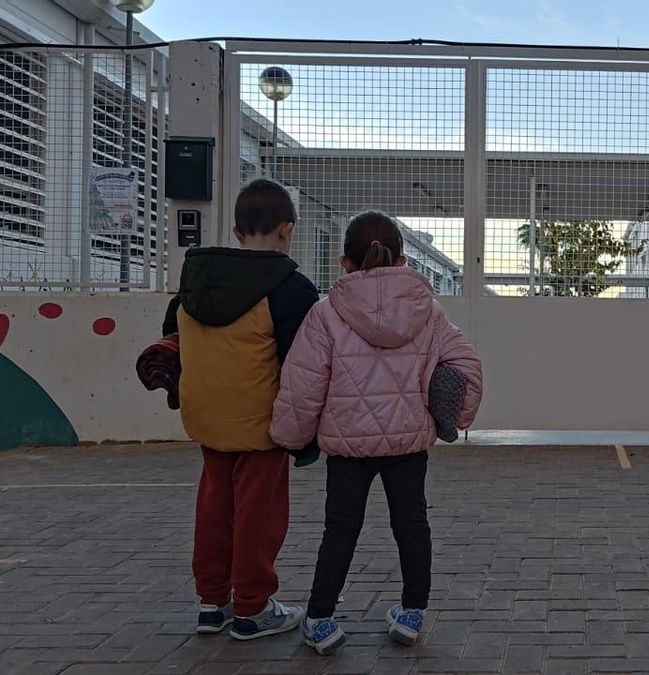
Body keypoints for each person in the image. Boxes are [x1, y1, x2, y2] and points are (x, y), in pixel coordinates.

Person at [270, 211, 482, 656]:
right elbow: (466, 367)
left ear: (344, 263)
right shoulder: (429, 310)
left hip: (348, 446)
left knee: (340, 530)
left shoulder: (325, 313)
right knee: (412, 523)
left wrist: (291, 436)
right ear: (403, 259)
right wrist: (454, 417)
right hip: (408, 442)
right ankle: (411, 614)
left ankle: (322, 619)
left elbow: (304, 383)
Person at [163, 178, 319, 640]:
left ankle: (212, 603)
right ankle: (252, 608)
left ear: (235, 231)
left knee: (213, 507)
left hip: (207, 418)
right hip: (261, 425)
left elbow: (173, 340)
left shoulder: (193, 284)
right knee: (258, 515)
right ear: (287, 230)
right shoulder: (291, 289)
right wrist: (306, 432)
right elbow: (301, 367)